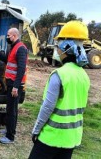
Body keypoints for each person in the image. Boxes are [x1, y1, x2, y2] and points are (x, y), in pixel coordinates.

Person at [28, 21, 90, 159]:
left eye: (58, 45)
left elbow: (47, 107)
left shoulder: (59, 75)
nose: (57, 49)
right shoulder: (84, 75)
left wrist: (36, 130)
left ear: (66, 47)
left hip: (52, 137)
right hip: (72, 137)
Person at [0, 27, 28, 144]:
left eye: (8, 35)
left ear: (14, 36)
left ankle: (10, 136)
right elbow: (7, 59)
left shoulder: (21, 48)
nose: (7, 37)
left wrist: (16, 87)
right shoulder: (13, 47)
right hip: (10, 83)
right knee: (10, 108)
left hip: (15, 85)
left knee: (12, 110)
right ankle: (9, 129)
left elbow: (21, 69)